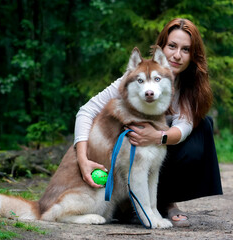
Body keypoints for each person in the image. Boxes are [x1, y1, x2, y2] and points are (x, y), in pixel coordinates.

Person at [74, 18, 223, 227]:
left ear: (193, 55)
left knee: (203, 127)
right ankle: (130, 204)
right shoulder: (136, 78)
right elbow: (86, 111)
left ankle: (166, 203)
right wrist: (82, 159)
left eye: (185, 49)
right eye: (172, 46)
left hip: (161, 146)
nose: (177, 55)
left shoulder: (190, 87)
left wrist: (157, 136)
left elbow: (184, 128)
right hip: (128, 156)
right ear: (161, 48)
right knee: (144, 156)